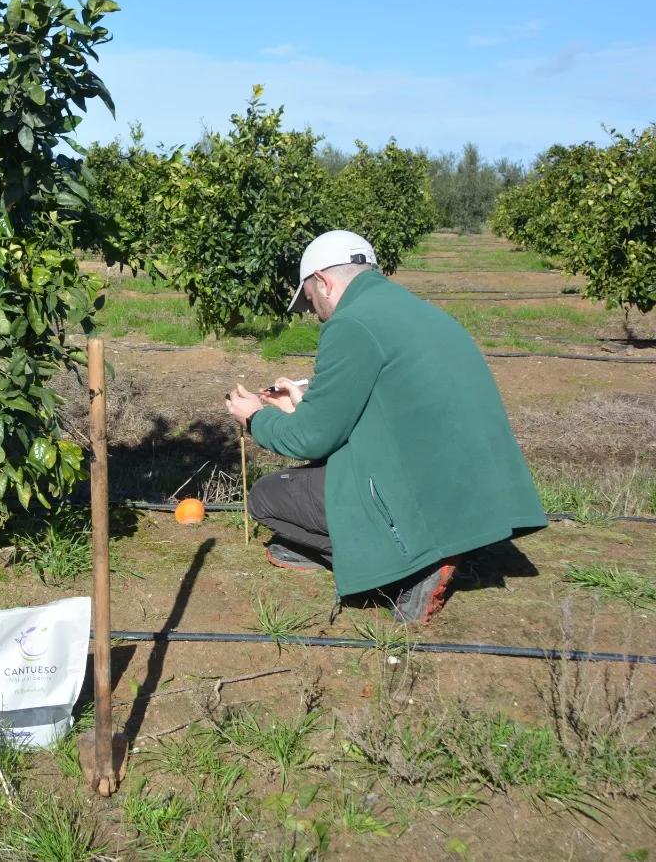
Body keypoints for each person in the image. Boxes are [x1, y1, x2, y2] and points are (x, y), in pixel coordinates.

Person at [223, 230, 546, 623]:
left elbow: (309, 439)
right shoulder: (415, 309)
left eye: (310, 302)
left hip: (420, 489)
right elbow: (385, 407)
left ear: (323, 281)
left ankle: (409, 565)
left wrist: (256, 417)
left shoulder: (351, 324)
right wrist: (303, 404)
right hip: (472, 490)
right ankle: (437, 541)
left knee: (266, 496)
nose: (317, 314)